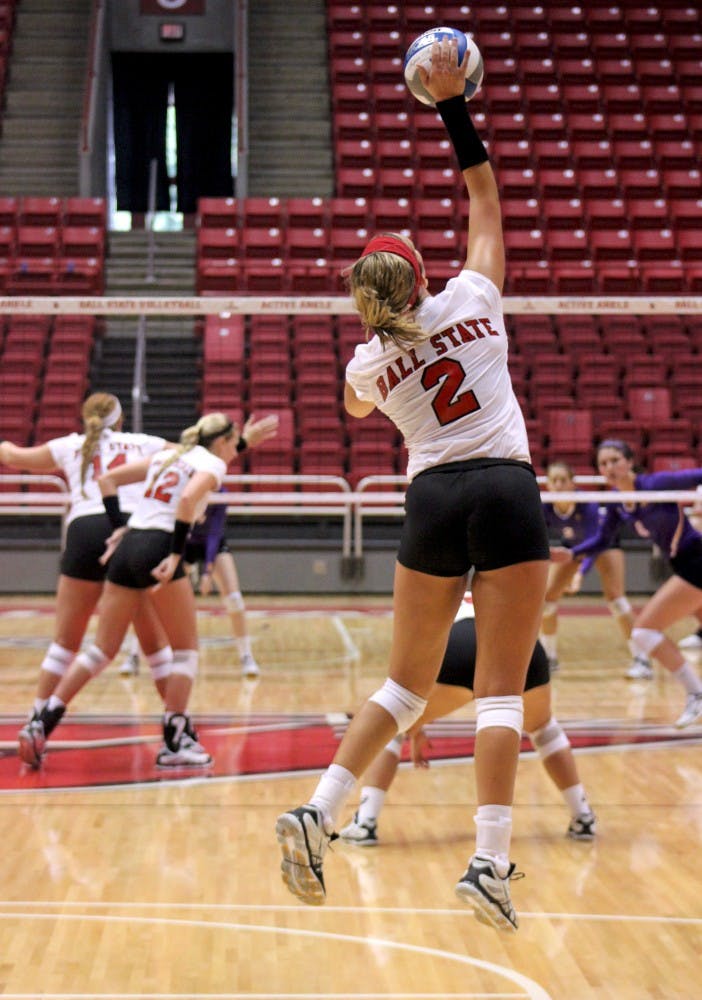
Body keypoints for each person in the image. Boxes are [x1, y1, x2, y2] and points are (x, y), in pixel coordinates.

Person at [276, 37, 550, 935]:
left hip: (431, 497)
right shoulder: (473, 297)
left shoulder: (365, 362)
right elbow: (484, 196)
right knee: (502, 690)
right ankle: (486, 862)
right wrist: (450, 104)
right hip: (503, 488)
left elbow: (356, 413)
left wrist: (382, 339)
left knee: (402, 686)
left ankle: (319, 808)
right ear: (426, 275)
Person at [22, 412, 242, 767]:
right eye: (235, 443)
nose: (237, 450)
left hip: (129, 544)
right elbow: (186, 501)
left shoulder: (168, 456)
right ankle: (174, 742)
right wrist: (174, 555)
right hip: (159, 546)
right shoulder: (213, 464)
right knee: (185, 650)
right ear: (221, 443)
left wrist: (119, 527)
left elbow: (107, 479)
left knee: (101, 650)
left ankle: (42, 722)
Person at [0, 392, 174, 768]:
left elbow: (13, 456)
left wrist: (6, 444)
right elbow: (187, 454)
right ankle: (176, 731)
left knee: (64, 642)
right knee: (155, 644)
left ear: (85, 418)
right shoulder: (145, 443)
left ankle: (35, 723)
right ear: (122, 420)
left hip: (83, 529)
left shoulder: (69, 446)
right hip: (131, 530)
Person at [340, 594, 596, 846]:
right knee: (543, 729)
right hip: (524, 648)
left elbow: (412, 673)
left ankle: (365, 822)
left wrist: (414, 726)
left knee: (394, 724)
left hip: (460, 645)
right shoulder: (501, 581)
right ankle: (582, 816)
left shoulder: (438, 585)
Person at [118, 413, 279, 678]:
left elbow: (214, 533)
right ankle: (134, 656)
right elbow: (188, 494)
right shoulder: (195, 467)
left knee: (233, 597)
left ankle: (246, 656)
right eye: (233, 440)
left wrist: (207, 571)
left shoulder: (211, 476)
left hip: (202, 542)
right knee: (153, 600)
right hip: (176, 537)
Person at [562, 439, 702, 729]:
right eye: (603, 463)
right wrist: (570, 554)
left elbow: (697, 476)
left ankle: (696, 694)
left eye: (615, 460)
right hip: (681, 564)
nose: (609, 468)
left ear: (629, 461)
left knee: (644, 632)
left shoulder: (655, 483)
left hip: (696, 561)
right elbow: (602, 539)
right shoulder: (616, 502)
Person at [541, 460, 652, 679]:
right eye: (554, 481)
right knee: (547, 599)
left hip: (605, 544)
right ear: (548, 485)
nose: (559, 485)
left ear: (573, 483)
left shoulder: (587, 503)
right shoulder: (545, 506)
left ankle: (642, 660)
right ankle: (549, 658)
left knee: (616, 599)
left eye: (563, 480)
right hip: (573, 546)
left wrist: (580, 574)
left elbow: (594, 542)